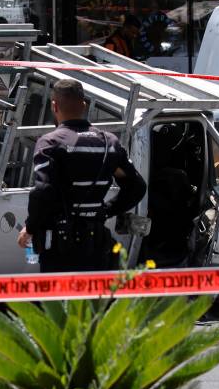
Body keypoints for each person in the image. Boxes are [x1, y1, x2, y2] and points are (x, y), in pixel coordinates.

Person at [17, 79, 147, 272]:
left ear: (54, 106)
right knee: (92, 300)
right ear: (84, 106)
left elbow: (43, 191)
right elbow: (137, 187)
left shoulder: (50, 142)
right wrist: (105, 210)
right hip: (96, 243)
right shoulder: (109, 143)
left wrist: (30, 227)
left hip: (60, 247)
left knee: (60, 300)